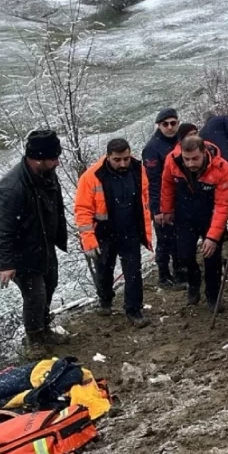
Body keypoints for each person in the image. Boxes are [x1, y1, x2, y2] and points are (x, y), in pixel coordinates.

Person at [0, 130, 69, 356]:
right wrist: (5, 264)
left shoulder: (46, 173)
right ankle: (34, 339)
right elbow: (2, 229)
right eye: (54, 158)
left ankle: (44, 329)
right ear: (38, 158)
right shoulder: (12, 189)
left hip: (44, 245)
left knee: (50, 284)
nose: (58, 162)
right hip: (23, 253)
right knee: (35, 296)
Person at [75, 138, 152, 328]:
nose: (123, 163)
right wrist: (88, 240)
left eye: (126, 158)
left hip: (130, 230)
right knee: (104, 270)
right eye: (117, 160)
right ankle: (105, 300)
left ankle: (134, 310)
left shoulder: (137, 168)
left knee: (133, 272)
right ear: (108, 156)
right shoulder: (91, 176)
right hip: (104, 233)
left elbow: (145, 195)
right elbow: (83, 210)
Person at [160, 135, 228, 311]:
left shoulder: (221, 168)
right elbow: (167, 185)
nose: (191, 163)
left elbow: (223, 205)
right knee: (184, 255)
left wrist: (213, 236)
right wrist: (167, 209)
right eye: (187, 159)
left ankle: (213, 296)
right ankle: (194, 283)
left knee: (212, 257)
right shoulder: (172, 161)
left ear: (204, 153)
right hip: (184, 215)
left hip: (210, 217)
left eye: (195, 159)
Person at [143, 108, 185, 289]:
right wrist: (157, 209)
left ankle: (180, 273)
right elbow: (153, 182)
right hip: (161, 201)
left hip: (181, 199)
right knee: (165, 240)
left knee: (180, 238)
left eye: (173, 123)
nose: (169, 127)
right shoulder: (152, 148)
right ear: (159, 125)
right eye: (165, 124)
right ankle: (163, 276)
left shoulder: (182, 141)